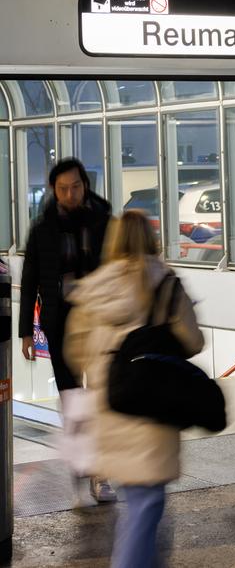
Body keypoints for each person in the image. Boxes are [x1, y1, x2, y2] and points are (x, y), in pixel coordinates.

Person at [64, 210, 204, 568]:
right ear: (150, 238)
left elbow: (75, 352)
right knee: (145, 505)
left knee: (142, 503)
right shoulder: (165, 283)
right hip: (152, 409)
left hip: (110, 407)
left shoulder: (93, 288)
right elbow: (193, 341)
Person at [19, 157, 117, 503]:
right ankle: (84, 465)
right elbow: (30, 279)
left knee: (102, 398)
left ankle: (101, 472)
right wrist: (26, 332)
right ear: (53, 189)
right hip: (60, 324)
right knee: (73, 400)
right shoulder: (43, 228)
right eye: (63, 188)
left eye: (75, 186)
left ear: (85, 185)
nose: (70, 194)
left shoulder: (103, 221)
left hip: (99, 322)